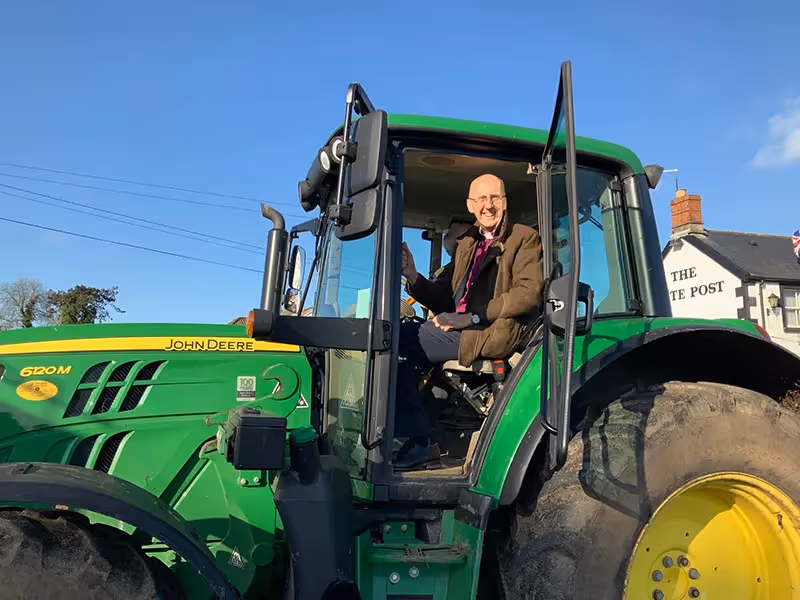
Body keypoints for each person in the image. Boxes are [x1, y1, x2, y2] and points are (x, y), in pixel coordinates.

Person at [394, 173, 545, 469]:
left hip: (492, 330)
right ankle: (421, 440)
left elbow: (528, 294)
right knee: (395, 342)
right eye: (482, 199)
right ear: (471, 205)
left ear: (504, 202)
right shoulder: (467, 244)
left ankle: (419, 440)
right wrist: (413, 276)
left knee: (399, 337)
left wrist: (473, 316)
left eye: (495, 198)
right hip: (464, 327)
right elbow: (447, 299)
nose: (489, 205)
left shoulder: (524, 238)